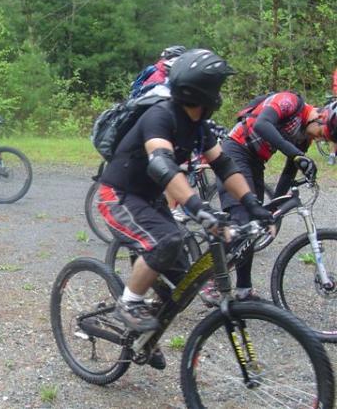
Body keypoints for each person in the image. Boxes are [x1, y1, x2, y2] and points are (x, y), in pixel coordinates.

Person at [97, 49, 272, 350]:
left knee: (184, 281)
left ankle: (141, 341)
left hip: (149, 199)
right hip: (119, 195)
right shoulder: (160, 116)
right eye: (217, 88)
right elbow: (161, 164)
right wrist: (198, 208)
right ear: (204, 92)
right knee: (164, 241)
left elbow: (224, 165)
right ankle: (127, 304)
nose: (219, 96)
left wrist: (252, 204)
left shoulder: (198, 127)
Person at [199, 91, 337, 305]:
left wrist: (276, 207)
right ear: (320, 116)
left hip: (255, 161)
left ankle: (244, 290)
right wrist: (295, 154)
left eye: (324, 139)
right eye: (321, 133)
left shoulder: (304, 137)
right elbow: (262, 124)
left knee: (254, 226)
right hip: (235, 151)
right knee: (242, 220)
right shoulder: (290, 101)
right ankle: (209, 279)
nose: (319, 138)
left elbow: (287, 174)